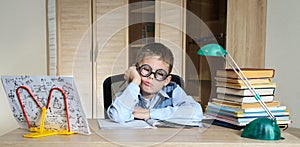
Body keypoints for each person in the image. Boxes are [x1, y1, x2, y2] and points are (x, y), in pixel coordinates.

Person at [107, 42, 203, 123]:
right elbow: (118, 116)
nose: (151, 76)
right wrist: (135, 81)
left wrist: (149, 113)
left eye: (160, 73)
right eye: (146, 69)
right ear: (136, 70)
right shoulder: (128, 92)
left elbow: (196, 112)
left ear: (166, 80)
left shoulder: (173, 91)